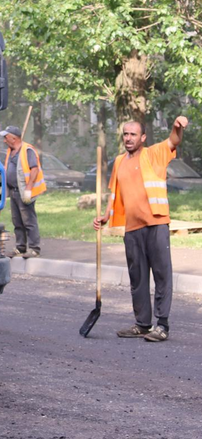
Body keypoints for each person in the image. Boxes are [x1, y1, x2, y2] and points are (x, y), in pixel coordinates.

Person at [93, 116, 188, 343]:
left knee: (162, 275)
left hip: (156, 224)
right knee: (138, 278)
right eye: (125, 134)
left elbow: (173, 141)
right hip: (132, 228)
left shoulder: (154, 153)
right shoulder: (118, 162)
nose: (128, 138)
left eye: (133, 134)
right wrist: (106, 215)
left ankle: (162, 325)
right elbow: (114, 192)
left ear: (142, 137)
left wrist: (177, 127)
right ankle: (143, 324)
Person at [1, 125, 46, 258]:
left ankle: (34, 249)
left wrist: (28, 188)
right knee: (17, 221)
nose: (4, 140)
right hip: (14, 192)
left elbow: (34, 169)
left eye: (6, 137)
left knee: (29, 221)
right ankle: (20, 247)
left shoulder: (28, 151)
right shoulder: (11, 151)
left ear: (14, 138)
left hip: (25, 192)